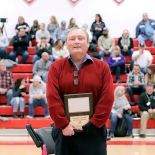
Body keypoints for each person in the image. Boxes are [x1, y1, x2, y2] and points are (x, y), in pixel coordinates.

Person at [46, 27, 114, 155]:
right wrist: (63, 124)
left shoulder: (102, 67)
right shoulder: (56, 67)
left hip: (95, 131)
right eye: (72, 39)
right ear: (66, 44)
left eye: (81, 38)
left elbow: (107, 98)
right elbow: (52, 97)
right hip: (65, 132)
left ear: (88, 44)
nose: (76, 42)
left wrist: (95, 123)